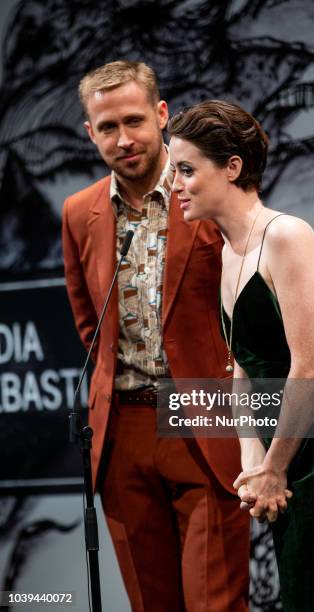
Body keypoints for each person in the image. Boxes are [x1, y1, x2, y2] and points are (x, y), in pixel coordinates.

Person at [168, 99, 314, 612]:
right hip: (286, 443)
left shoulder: (286, 234)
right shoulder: (229, 250)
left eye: (185, 169)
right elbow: (245, 373)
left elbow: (312, 367)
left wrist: (274, 467)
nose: (174, 184)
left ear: (232, 166)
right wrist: (255, 466)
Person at [62, 63, 249, 612]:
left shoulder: (214, 191)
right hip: (124, 430)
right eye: (107, 127)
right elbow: (87, 323)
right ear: (89, 133)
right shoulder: (79, 213)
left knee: (216, 602)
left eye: (135, 121)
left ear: (162, 115)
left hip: (206, 418)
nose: (124, 140)